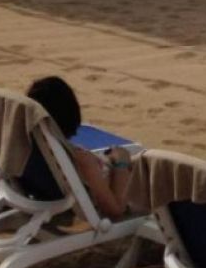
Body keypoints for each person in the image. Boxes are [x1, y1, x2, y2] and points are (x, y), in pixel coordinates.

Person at [27, 76, 133, 220]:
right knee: (133, 159)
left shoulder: (28, 148)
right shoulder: (80, 160)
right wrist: (122, 163)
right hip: (105, 197)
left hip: (53, 196)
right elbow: (115, 210)